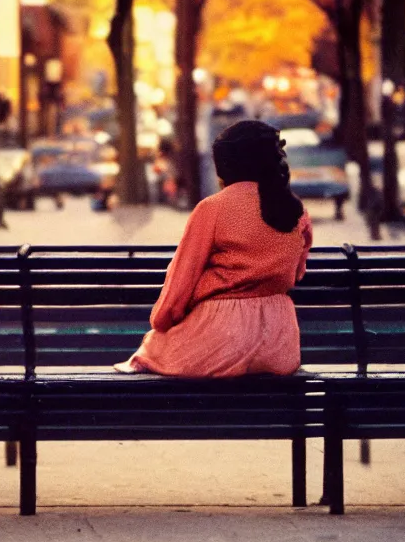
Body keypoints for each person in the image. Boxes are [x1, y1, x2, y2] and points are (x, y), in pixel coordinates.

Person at [114, 120, 313, 378]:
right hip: (279, 343)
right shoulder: (297, 212)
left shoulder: (213, 209)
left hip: (222, 339)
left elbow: (178, 288)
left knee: (152, 349)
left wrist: (162, 323)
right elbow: (296, 274)